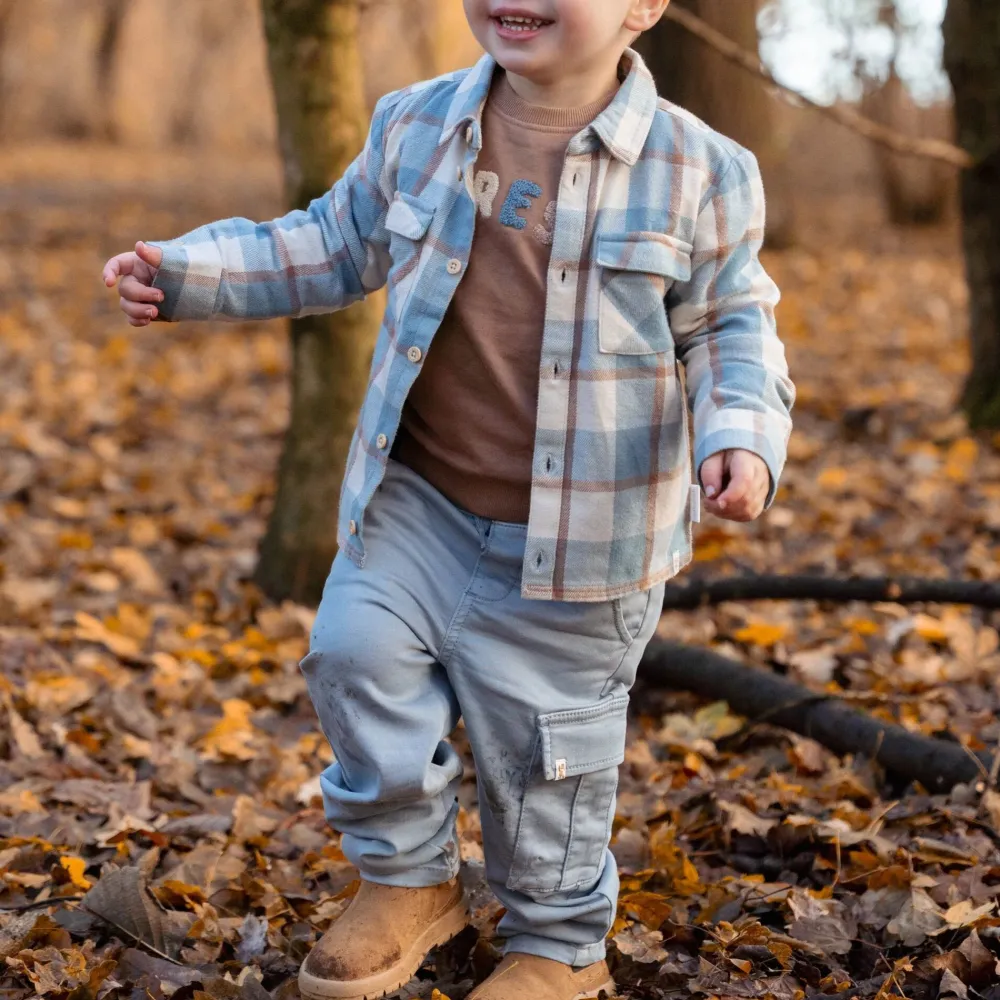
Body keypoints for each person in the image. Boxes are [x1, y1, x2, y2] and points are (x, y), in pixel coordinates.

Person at [102, 0, 795, 996]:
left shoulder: (700, 170)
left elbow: (731, 325)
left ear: (643, 6)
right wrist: (191, 274)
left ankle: (557, 945)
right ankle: (408, 880)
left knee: (546, 756)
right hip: (417, 499)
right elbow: (331, 244)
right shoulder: (416, 123)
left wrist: (739, 435)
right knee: (352, 651)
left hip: (582, 544)